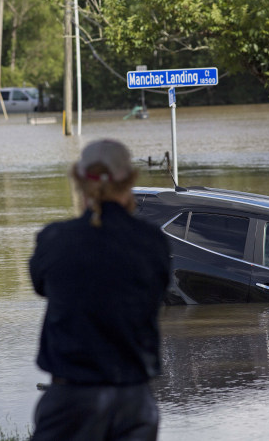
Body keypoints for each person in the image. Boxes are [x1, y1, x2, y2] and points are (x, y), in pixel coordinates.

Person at [29, 139, 171, 441]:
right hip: (133, 398)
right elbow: (156, 293)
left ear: (79, 180)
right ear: (130, 179)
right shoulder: (152, 242)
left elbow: (40, 285)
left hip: (70, 398)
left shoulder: (54, 239)